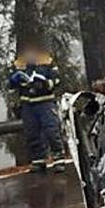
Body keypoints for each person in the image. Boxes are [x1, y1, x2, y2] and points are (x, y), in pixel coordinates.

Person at [8, 43, 65, 173]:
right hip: (28, 105)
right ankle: (38, 160)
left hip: (45, 102)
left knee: (51, 130)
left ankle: (58, 158)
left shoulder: (47, 61)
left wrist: (44, 84)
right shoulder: (18, 64)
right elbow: (10, 85)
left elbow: (57, 80)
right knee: (32, 133)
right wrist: (14, 79)